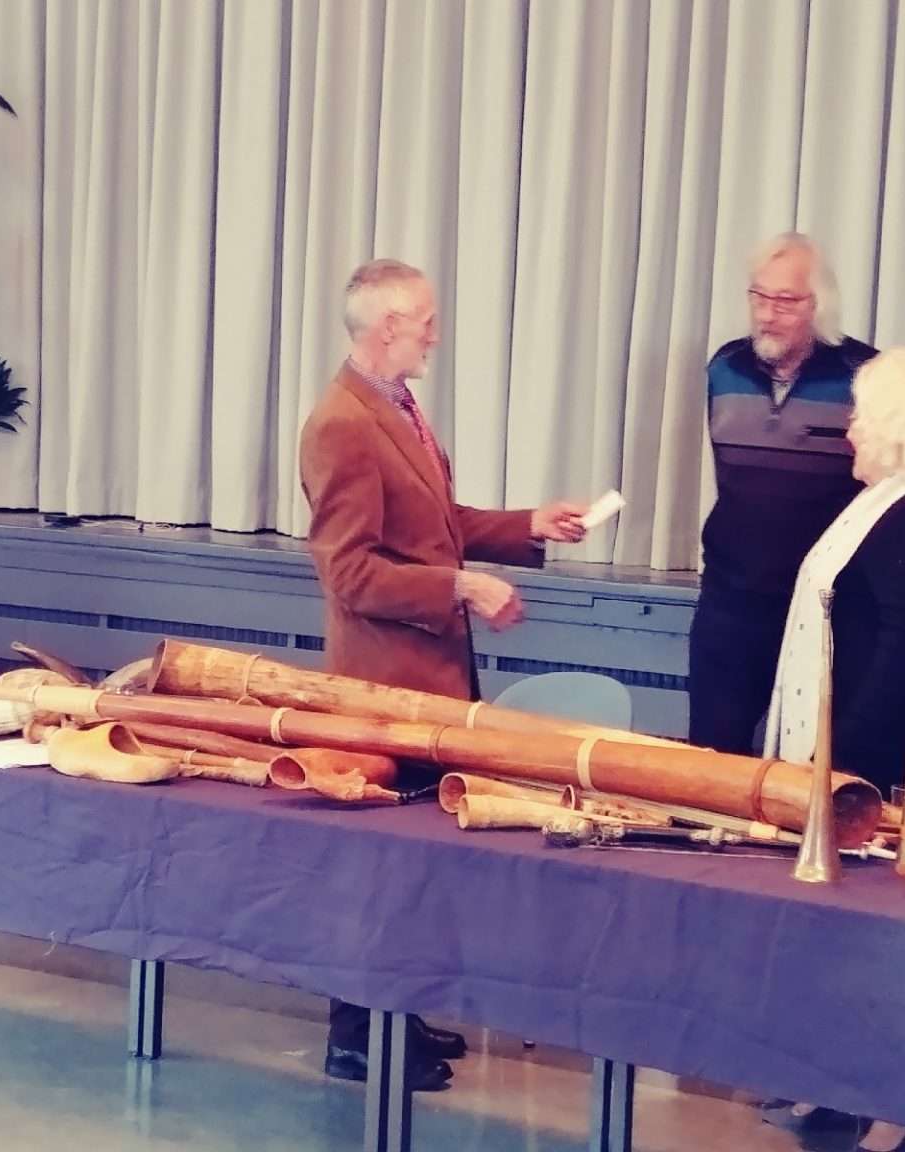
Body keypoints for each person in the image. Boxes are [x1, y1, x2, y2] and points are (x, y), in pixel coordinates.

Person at [299, 258, 588, 1090]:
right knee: (378, 873)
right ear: (387, 325)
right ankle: (356, 1035)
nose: (435, 332)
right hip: (384, 691)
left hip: (425, 683)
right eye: (425, 319)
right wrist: (459, 586)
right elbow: (349, 574)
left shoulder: (393, 407)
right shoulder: (341, 424)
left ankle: (397, 1011)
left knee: (415, 867)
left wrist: (529, 524)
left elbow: (435, 525)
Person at [763, 347, 905, 1152]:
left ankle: (895, 1105)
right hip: (834, 749)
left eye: (858, 414)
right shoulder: (881, 500)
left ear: (892, 424)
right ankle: (832, 1080)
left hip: (876, 763)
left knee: (879, 946)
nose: (847, 428)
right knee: (831, 938)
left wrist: (847, 762)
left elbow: (903, 655)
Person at [688, 233, 877, 754]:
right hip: (730, 601)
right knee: (711, 755)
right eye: (759, 297)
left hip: (826, 608)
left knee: (815, 761)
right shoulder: (724, 368)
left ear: (819, 304)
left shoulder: (865, 375)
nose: (767, 315)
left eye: (786, 301)